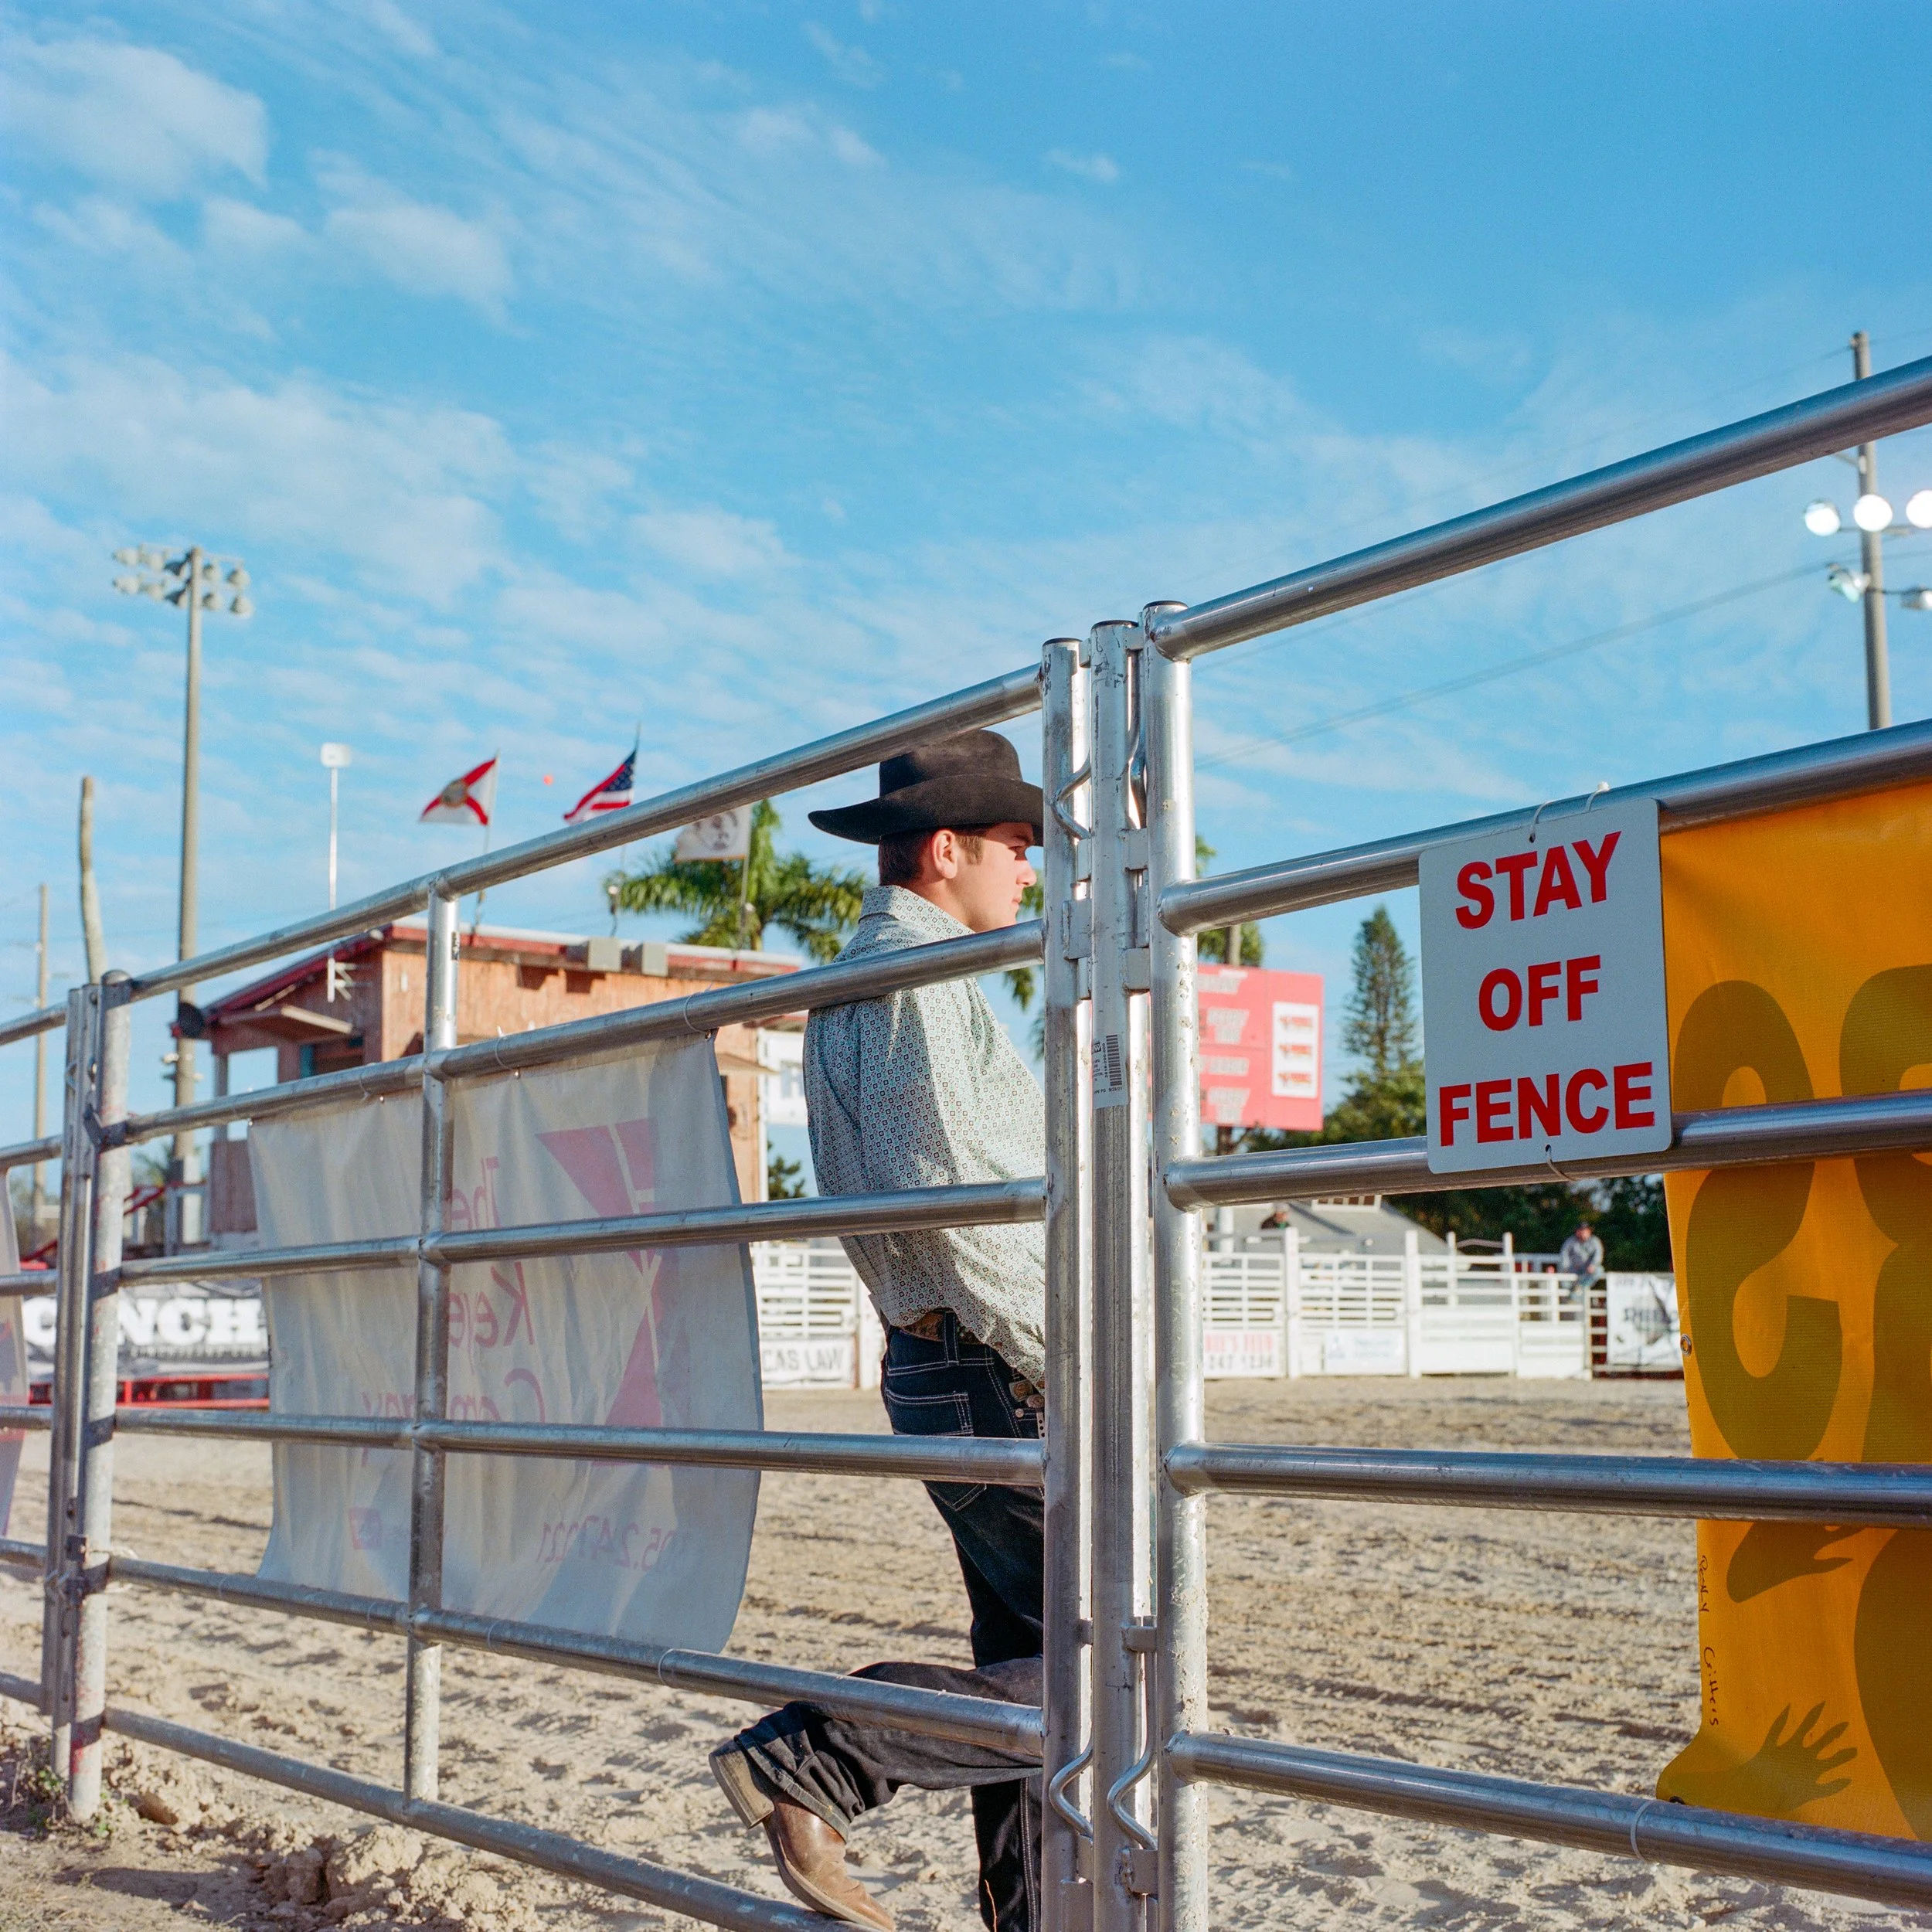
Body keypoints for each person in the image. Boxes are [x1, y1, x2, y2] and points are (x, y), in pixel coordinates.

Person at [709, 730, 1048, 1931]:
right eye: (1014, 848)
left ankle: (1027, 1912)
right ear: (947, 850)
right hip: (994, 1360)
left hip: (945, 1360)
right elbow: (952, 1193)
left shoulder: (862, 981)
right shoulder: (920, 983)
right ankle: (826, 1755)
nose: (1027, 873)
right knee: (1108, 1671)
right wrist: (1062, 1354)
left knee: (1025, 1659)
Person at [1559, 1219, 1605, 1294]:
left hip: (1587, 1270)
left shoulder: (1595, 1241)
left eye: (1584, 1231)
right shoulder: (1570, 1241)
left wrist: (1593, 1265)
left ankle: (1580, 1287)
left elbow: (1599, 1254)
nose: (1582, 1233)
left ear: (1589, 1232)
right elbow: (1564, 1254)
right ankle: (1570, 1298)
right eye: (1580, 1230)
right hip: (1574, 1269)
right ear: (1577, 1232)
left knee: (1599, 1271)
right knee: (1565, 1281)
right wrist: (1566, 1267)